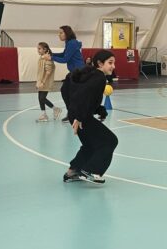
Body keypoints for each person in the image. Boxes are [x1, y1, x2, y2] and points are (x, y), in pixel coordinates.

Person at [62, 50, 118, 184]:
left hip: (77, 116)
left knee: (90, 145)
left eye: (114, 63)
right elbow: (84, 97)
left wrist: (99, 109)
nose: (113, 66)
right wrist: (79, 117)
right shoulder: (99, 77)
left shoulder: (90, 75)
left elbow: (66, 89)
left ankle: (73, 172)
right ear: (100, 63)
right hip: (81, 118)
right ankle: (91, 171)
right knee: (110, 141)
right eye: (110, 63)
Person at [50, 25, 85, 121]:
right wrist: (52, 54)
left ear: (67, 33)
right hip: (74, 72)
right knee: (65, 91)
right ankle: (72, 113)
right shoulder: (69, 42)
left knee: (70, 93)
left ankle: (75, 114)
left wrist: (51, 58)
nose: (59, 35)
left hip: (79, 72)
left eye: (61, 33)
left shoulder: (72, 43)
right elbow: (63, 54)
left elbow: (65, 59)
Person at [35, 42, 62, 122]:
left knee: (42, 98)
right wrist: (38, 82)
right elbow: (40, 72)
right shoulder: (42, 58)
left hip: (45, 82)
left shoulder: (47, 58)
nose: (38, 50)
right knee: (40, 98)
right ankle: (44, 115)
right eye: (38, 49)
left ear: (45, 49)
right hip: (41, 82)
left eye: (39, 49)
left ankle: (55, 109)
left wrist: (43, 82)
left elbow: (48, 72)